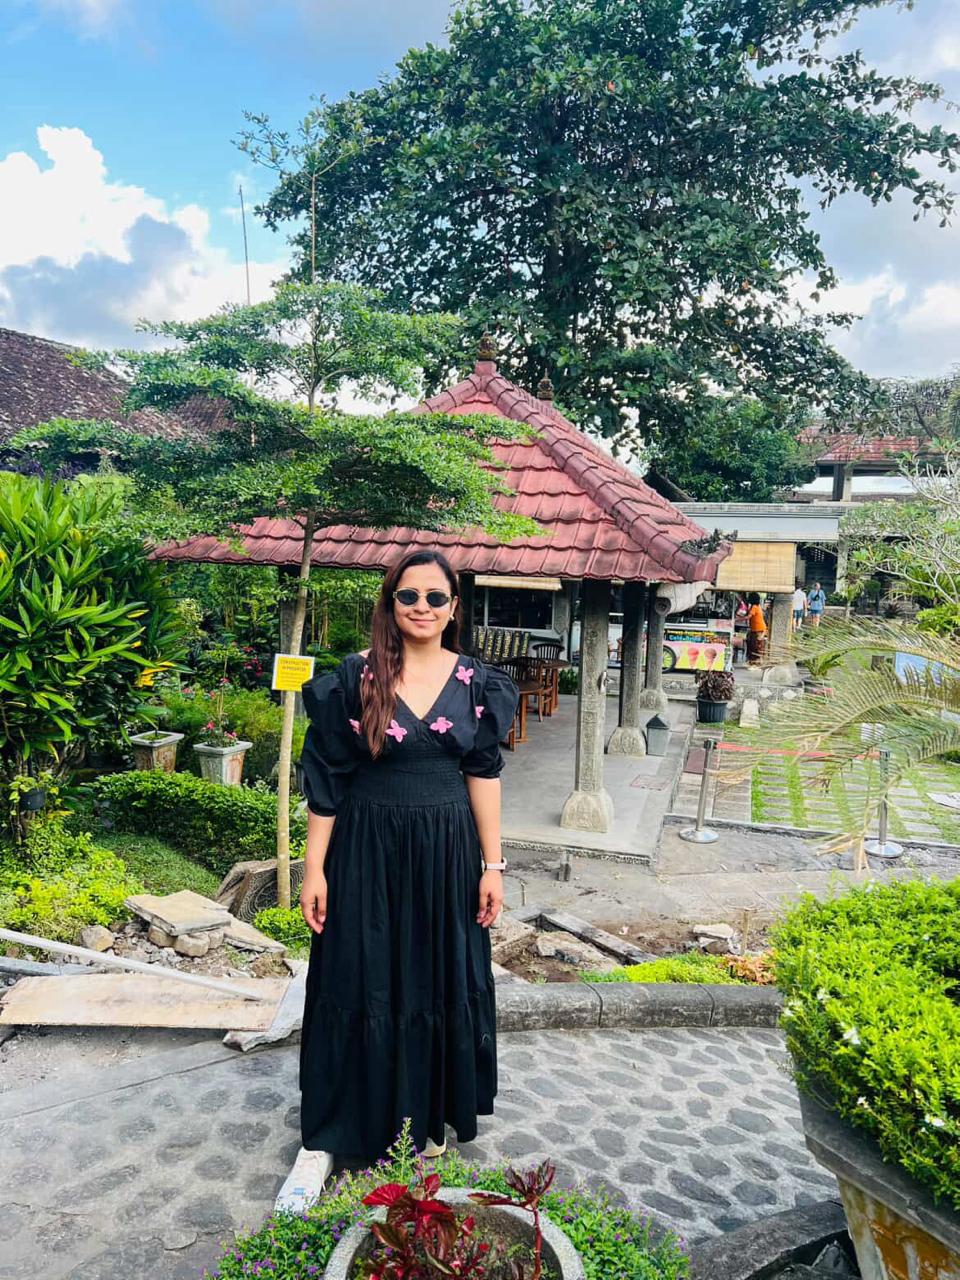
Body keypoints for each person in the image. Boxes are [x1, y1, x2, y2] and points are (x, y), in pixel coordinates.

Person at [276, 549, 519, 1211]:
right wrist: (313, 870)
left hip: (447, 855)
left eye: (435, 598)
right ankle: (357, 1119)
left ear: (453, 608)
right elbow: (326, 780)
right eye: (407, 596)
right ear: (390, 604)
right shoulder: (354, 677)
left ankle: (430, 1113)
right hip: (365, 850)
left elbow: (484, 775)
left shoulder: (475, 683)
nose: (421, 607)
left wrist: (493, 866)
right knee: (363, 971)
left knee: (438, 975)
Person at [746, 592, 767, 664]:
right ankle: (757, 662)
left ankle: (758, 662)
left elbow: (748, 617)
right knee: (757, 646)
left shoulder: (754, 607)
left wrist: (737, 619)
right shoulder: (757, 606)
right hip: (759, 629)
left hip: (759, 630)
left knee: (757, 646)